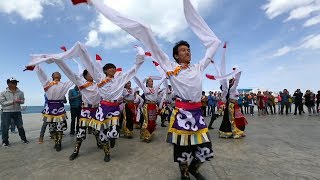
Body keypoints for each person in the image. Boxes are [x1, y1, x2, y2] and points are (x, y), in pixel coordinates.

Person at [72, 0, 219, 178]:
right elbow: (150, 40)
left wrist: (190, 10)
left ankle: (194, 169)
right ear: (175, 55)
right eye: (182, 50)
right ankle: (184, 174)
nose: (187, 52)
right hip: (182, 113)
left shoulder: (198, 67)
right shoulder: (170, 66)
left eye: (188, 49)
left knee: (205, 147)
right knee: (182, 147)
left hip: (197, 114)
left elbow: (212, 46)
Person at [134, 76, 166, 142]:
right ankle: (146, 136)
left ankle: (150, 134)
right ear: (147, 83)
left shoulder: (155, 88)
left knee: (152, 122)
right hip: (147, 106)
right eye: (150, 81)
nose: (151, 82)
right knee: (147, 121)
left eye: (152, 81)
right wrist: (133, 74)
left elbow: (160, 82)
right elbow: (140, 82)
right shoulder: (145, 88)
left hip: (154, 106)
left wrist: (165, 76)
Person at [0, 77, 29, 147]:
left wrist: (20, 101)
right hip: (6, 112)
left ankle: (24, 139)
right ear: (8, 84)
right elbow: (2, 103)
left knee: (20, 126)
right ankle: (5, 142)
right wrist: (13, 101)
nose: (15, 84)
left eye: (15, 82)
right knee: (5, 127)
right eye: (13, 82)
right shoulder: (3, 93)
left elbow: (23, 101)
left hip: (17, 111)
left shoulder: (21, 92)